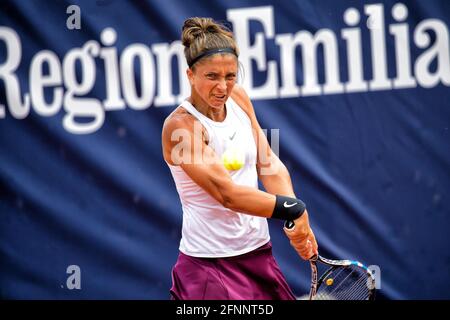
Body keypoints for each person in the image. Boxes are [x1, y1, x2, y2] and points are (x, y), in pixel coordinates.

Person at [161, 17, 318, 300]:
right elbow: (228, 195)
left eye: (230, 76)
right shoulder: (180, 128)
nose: (223, 87)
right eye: (212, 77)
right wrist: (292, 209)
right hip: (210, 269)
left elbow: (268, 162)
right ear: (190, 75)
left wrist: (297, 214)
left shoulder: (240, 99)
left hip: (259, 256)